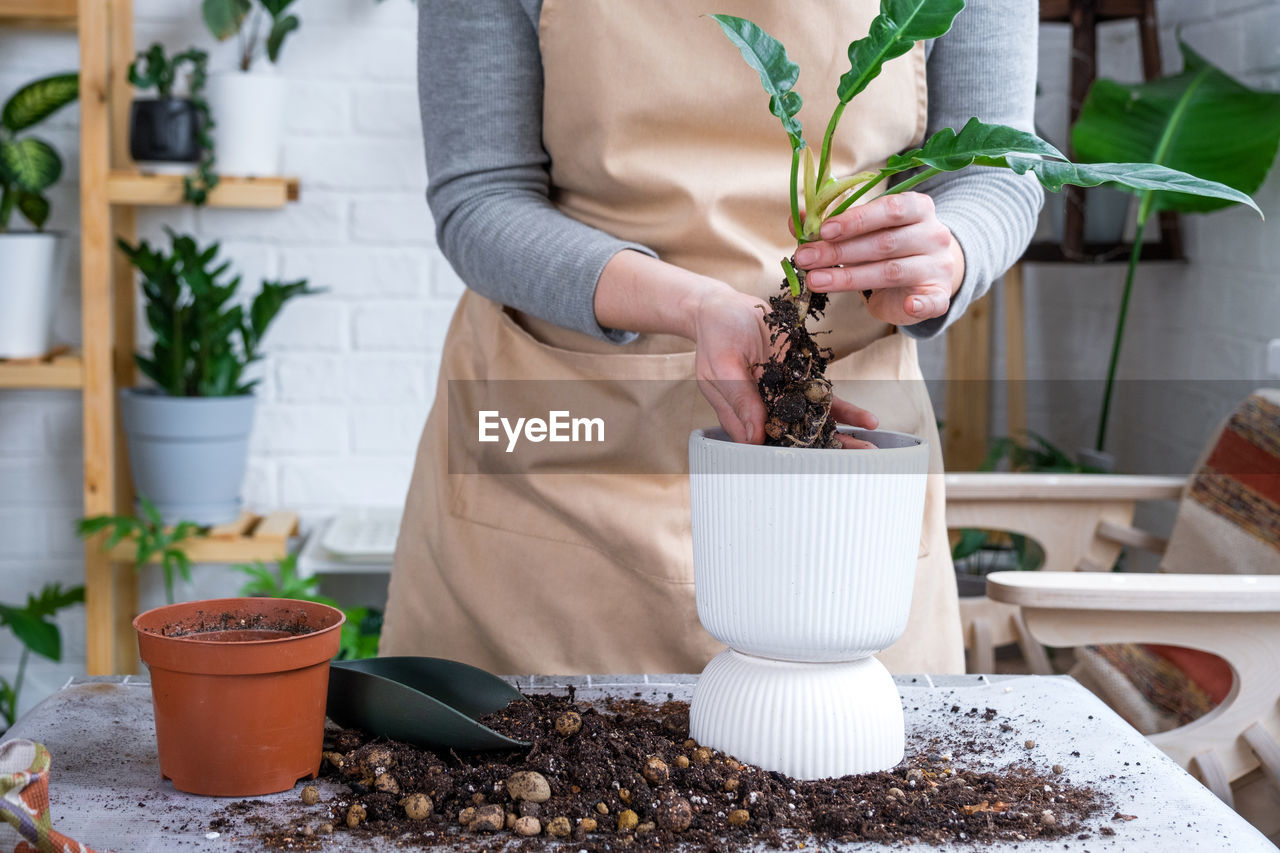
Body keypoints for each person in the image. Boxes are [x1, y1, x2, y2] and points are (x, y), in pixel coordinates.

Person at [381, 0, 1043, 676]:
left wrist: (948, 252)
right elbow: (482, 196)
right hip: (559, 460)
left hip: (834, 457)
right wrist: (694, 304)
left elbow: (996, 171)